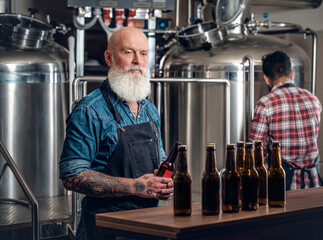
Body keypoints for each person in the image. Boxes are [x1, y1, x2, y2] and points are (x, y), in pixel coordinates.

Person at [59, 27, 173, 240]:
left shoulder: (149, 109)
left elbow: (161, 159)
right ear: (109, 58)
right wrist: (138, 186)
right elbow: (71, 176)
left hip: (149, 224)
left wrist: (164, 182)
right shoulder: (89, 110)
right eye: (128, 52)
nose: (137, 61)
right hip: (105, 227)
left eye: (143, 53)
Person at [249, 50, 322, 191]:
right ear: (291, 73)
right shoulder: (313, 99)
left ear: (266, 78)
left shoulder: (265, 104)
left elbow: (255, 151)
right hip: (314, 183)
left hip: (282, 185)